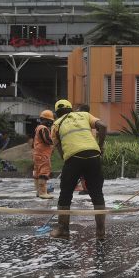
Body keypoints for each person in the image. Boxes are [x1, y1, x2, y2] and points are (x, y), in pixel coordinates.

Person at [50, 100, 107, 240]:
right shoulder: (84, 115)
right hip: (93, 155)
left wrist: (72, 167)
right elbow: (103, 126)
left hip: (73, 158)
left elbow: (61, 152)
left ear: (57, 113)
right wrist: (100, 146)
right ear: (71, 109)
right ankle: (100, 231)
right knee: (97, 194)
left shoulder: (56, 125)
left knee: (65, 194)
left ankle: (63, 230)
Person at [32, 110, 55, 199]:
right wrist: (54, 141)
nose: (50, 123)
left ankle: (38, 191)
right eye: (50, 121)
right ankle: (42, 192)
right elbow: (47, 140)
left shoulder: (37, 128)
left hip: (37, 153)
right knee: (44, 172)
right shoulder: (44, 128)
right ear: (45, 120)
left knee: (37, 173)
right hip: (43, 154)